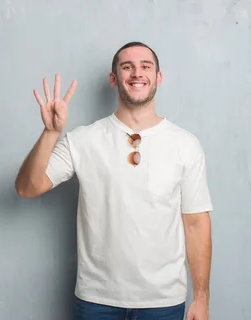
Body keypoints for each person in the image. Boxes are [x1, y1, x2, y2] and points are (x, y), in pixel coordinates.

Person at [15, 41, 214, 320]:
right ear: (113, 78)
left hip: (163, 302)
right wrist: (50, 133)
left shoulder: (185, 144)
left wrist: (202, 298)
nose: (137, 73)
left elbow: (196, 223)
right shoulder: (82, 140)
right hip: (97, 301)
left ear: (158, 77)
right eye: (127, 66)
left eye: (146, 66)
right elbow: (27, 187)